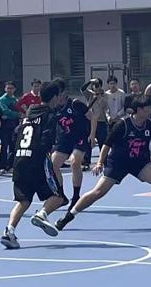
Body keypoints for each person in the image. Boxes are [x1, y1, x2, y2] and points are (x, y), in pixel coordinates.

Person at [55, 95, 151, 232]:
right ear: (139, 109)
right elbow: (107, 144)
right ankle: (69, 216)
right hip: (118, 163)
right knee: (98, 192)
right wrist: (100, 163)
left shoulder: (150, 124)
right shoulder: (123, 125)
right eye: (148, 108)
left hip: (140, 163)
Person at [0, 80, 69, 250]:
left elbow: (16, 135)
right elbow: (46, 140)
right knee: (58, 197)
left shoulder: (29, 114)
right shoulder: (50, 116)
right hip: (37, 161)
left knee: (23, 200)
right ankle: (42, 214)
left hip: (20, 159)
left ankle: (9, 231)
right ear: (54, 97)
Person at [50, 81, 94, 209]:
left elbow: (93, 117)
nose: (57, 97)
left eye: (59, 93)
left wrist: (92, 134)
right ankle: (61, 195)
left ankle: (76, 196)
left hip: (80, 137)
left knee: (74, 162)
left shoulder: (75, 104)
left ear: (64, 93)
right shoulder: (54, 108)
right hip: (65, 138)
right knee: (53, 164)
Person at [0, 82, 21, 174]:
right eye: (8, 88)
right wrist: (17, 114)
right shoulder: (2, 100)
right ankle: (2, 166)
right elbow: (5, 111)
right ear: (5, 89)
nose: (9, 90)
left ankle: (10, 166)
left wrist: (17, 115)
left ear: (14, 89)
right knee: (4, 145)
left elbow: (19, 110)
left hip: (14, 125)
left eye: (11, 88)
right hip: (5, 126)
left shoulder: (15, 100)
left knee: (13, 146)